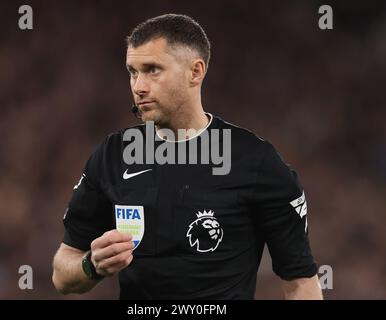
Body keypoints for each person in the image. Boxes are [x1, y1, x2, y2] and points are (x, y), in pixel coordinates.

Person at [52, 13, 323, 300]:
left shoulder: (256, 161)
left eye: (152, 69)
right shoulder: (113, 155)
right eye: (133, 72)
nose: (138, 86)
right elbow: (62, 274)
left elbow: (301, 283)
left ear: (195, 72)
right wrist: (91, 265)